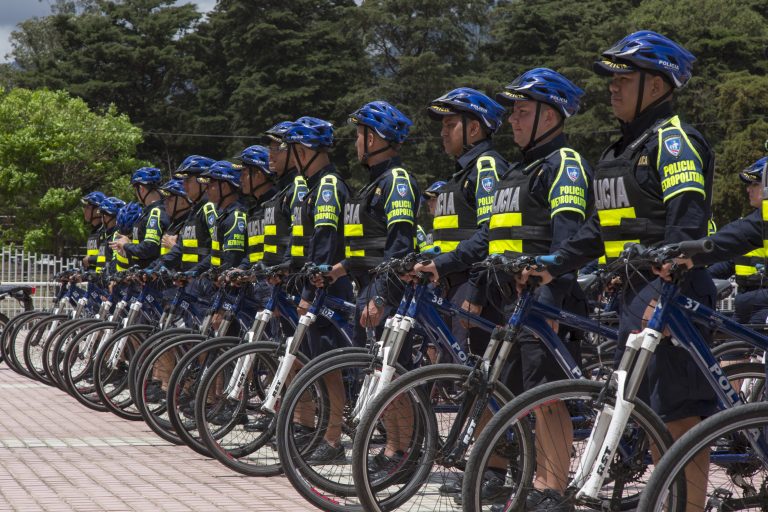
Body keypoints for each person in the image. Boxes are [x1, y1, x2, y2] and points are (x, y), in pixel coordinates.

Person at [530, 30, 716, 511]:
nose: (611, 87)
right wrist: (553, 265)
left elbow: (688, 222)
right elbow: (595, 231)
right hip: (633, 298)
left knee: (680, 416)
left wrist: (665, 284)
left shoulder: (674, 141)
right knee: (648, 410)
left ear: (656, 86)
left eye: (623, 78)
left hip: (671, 294)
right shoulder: (619, 151)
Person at [412, 87, 508, 354]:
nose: (443, 132)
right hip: (451, 283)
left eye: (450, 125)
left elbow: (490, 234)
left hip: (475, 286)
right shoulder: (462, 173)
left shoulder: (486, 167)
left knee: (468, 371)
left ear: (474, 129)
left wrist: (443, 265)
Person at [283, 116, 354, 464]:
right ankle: (327, 432)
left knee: (329, 367)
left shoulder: (327, 185)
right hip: (319, 286)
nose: (289, 156)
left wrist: (310, 292)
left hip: (330, 287)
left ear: (304, 150)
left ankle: (333, 438)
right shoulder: (314, 187)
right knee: (321, 366)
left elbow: (325, 247)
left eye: (292, 149)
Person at [698, 157, 768, 323]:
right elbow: (729, 260)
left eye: (754, 184)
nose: (748, 189)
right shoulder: (755, 222)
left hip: (762, 303)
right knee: (726, 342)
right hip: (745, 302)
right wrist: (699, 275)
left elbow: (729, 240)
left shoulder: (759, 222)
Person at [260, 122, 309, 267]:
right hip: (274, 277)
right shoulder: (283, 190)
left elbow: (298, 235)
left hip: (289, 277)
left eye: (276, 148)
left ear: (293, 151)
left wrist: (286, 266)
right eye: (269, 148)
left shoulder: (299, 187)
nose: (270, 154)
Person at [111, 167, 171, 271]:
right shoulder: (149, 212)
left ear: (141, 188)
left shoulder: (155, 212)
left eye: (136, 189)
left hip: (152, 278)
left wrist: (126, 245)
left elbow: (149, 248)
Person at [81, 191, 107, 271]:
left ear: (98, 210)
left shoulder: (105, 232)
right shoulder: (94, 231)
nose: (84, 210)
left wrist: (90, 259)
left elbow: (108, 257)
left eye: (88, 207)